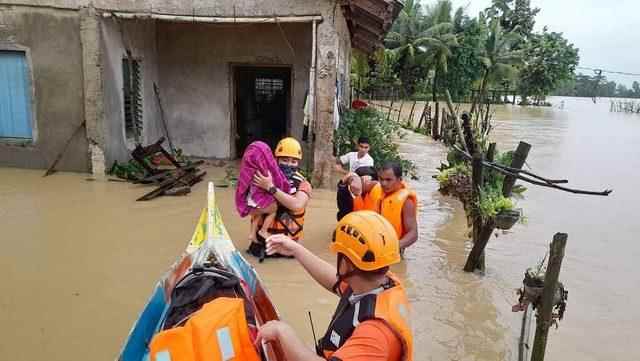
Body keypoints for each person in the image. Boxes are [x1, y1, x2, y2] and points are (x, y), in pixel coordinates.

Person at [256, 211, 413, 361]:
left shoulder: (375, 335)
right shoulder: (379, 280)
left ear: (345, 264)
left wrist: (282, 332)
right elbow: (335, 281)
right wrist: (295, 249)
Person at [248, 137, 313, 260]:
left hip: (288, 246)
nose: (289, 164)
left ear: (298, 163)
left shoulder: (304, 184)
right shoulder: (264, 177)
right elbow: (248, 206)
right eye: (284, 160)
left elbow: (297, 205)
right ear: (276, 160)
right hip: (261, 245)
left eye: (294, 161)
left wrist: (270, 188)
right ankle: (258, 233)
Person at [350, 162, 418, 251]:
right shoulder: (374, 186)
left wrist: (394, 246)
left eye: (388, 180)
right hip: (369, 243)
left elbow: (413, 233)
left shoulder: (406, 202)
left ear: (399, 179)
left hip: (390, 250)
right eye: (381, 179)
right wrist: (354, 178)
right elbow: (353, 182)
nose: (384, 183)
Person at [235, 141, 291, 243]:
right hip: (258, 198)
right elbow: (276, 179)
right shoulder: (265, 170)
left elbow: (243, 183)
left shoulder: (249, 169)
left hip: (251, 198)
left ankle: (252, 234)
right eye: (285, 160)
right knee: (273, 209)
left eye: (293, 161)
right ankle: (263, 231)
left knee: (259, 213)